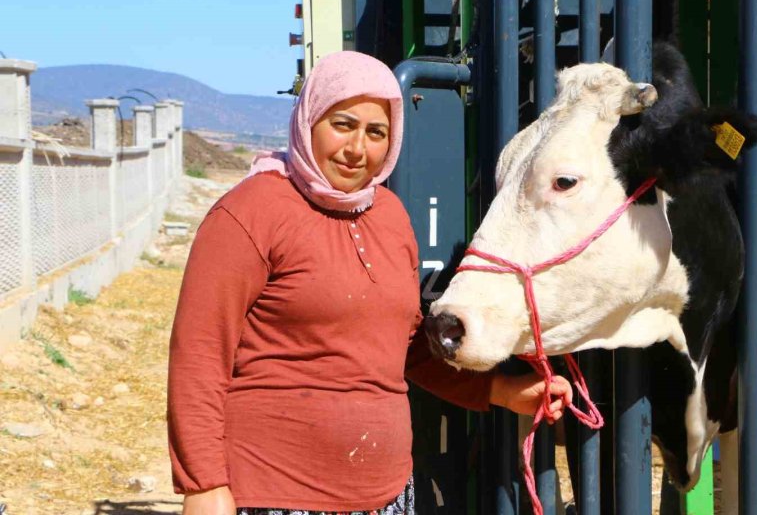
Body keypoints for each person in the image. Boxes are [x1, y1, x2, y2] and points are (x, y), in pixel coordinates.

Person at [167, 51, 571, 515]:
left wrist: (496, 390)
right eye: (342, 124)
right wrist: (203, 484)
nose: (357, 148)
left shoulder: (390, 216)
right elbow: (198, 356)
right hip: (274, 492)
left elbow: (406, 347)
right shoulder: (249, 213)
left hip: (386, 494)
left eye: (376, 132)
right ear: (309, 118)